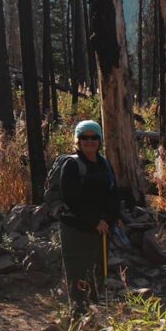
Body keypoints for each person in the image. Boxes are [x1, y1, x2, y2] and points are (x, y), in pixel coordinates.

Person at [59, 119, 121, 313]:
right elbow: (71, 199)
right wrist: (95, 220)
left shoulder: (104, 163)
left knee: (97, 272)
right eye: (84, 137)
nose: (90, 141)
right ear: (77, 140)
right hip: (77, 229)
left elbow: (113, 192)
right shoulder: (71, 165)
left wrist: (113, 218)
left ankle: (93, 314)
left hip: (101, 229)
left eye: (94, 137)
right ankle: (78, 316)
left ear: (100, 140)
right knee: (79, 273)